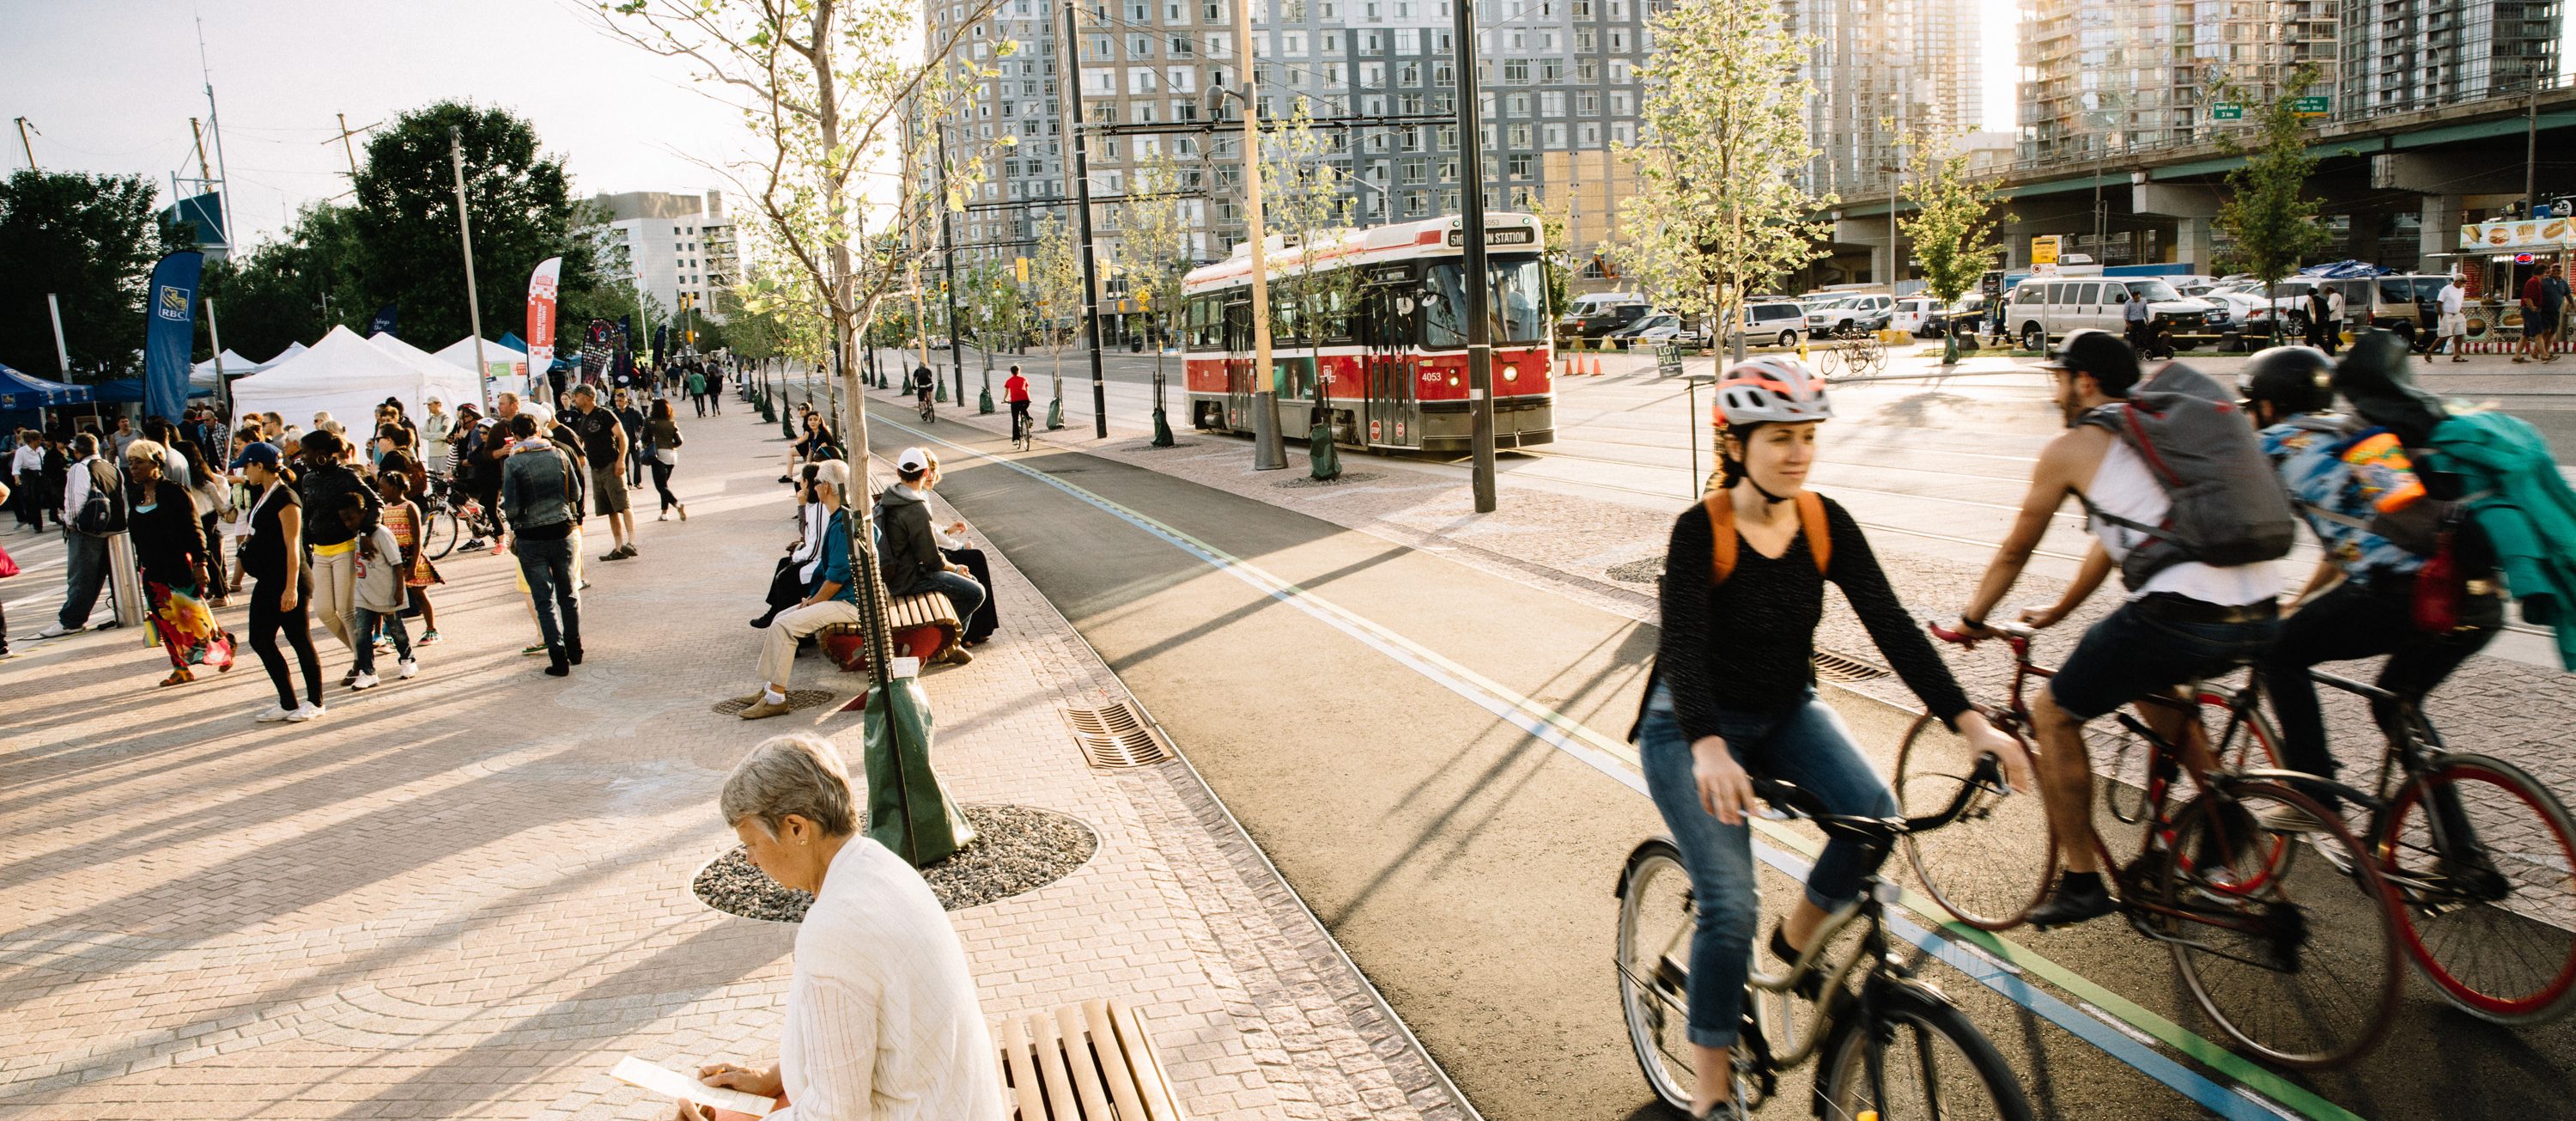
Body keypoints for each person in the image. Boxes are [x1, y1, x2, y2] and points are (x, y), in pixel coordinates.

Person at [1632, 357, 2024, 1118]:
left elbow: (1895, 630)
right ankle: (1712, 1086)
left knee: (1873, 814)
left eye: (1808, 436)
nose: (1798, 452)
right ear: (1736, 443)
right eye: (1780, 437)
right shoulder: (1700, 530)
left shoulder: (1822, 521)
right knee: (1729, 901)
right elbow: (1681, 642)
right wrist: (1709, 744)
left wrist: (1972, 722)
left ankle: (1793, 942)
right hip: (1690, 726)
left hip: (1785, 711)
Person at [1956, 330, 2280, 927]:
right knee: (2151, 683)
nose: (2055, 393)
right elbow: (2114, 544)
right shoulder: (2161, 434)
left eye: (2058, 378)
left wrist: (1973, 618)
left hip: (2184, 614)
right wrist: (2057, 611)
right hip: (2261, 611)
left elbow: (2015, 549)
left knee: (2053, 713)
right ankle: (2219, 809)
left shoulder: (2076, 445)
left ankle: (2081, 879)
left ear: (2084, 380)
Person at [675, 734, 1004, 1121]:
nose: (749, 860)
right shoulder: (878, 864)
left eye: (750, 843)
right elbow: (855, 1038)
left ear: (797, 828)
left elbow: (835, 1115)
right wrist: (773, 1077)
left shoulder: (836, 930)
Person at [2240, 343, 2502, 808]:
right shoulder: (2354, 434)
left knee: (2278, 652)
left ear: (2265, 405)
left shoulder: (2273, 446)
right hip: (2469, 588)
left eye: (2250, 407)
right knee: (2393, 703)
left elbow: (2246, 531)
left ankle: (2312, 793)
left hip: (2406, 597)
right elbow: (2358, 534)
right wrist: (2301, 599)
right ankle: (2464, 858)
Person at [736, 462, 863, 719]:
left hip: (847, 604)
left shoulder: (841, 524)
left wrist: (814, 602)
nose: (814, 486)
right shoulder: (841, 517)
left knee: (785, 627)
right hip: (842, 599)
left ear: (826, 487)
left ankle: (776, 698)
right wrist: (813, 600)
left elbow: (837, 579)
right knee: (780, 618)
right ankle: (769, 689)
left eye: (816, 482)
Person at [122, 441, 234, 686]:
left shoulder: (174, 492)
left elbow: (194, 529)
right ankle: (180, 668)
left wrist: (201, 563)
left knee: (194, 616)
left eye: (139, 462)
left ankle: (224, 643)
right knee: (164, 620)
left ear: (156, 463)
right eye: (130, 463)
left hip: (177, 565)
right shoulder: (135, 495)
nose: (133, 467)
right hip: (151, 568)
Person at [235, 442, 325, 722]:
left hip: (290, 580)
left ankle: (316, 701)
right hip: (269, 578)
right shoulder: (264, 494)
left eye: (246, 466)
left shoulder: (285, 498)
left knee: (299, 639)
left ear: (259, 466)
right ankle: (287, 701)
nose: (245, 472)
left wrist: (290, 588)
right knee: (260, 639)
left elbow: (293, 546)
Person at [873, 448, 986, 664]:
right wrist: (954, 568)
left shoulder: (890, 496)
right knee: (975, 591)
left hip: (896, 575)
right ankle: (944, 643)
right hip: (910, 580)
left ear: (898, 472)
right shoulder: (915, 507)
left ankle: (951, 644)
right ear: (926, 473)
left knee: (966, 583)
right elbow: (932, 559)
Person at [501, 412, 586, 675]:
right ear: (538, 431)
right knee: (568, 593)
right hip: (562, 531)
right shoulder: (558, 455)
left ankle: (558, 657)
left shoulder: (513, 463)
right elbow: (576, 493)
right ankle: (575, 648)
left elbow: (512, 507)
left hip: (531, 538)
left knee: (544, 600)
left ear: (515, 436)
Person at [295, 430, 378, 673]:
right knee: (323, 611)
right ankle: (360, 654)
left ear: (320, 454)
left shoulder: (346, 477)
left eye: (305, 452)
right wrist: (304, 544)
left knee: (345, 610)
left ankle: (362, 665)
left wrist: (366, 532)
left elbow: (375, 502)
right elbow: (306, 514)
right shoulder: (308, 479)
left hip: (346, 548)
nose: (302, 457)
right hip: (320, 552)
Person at [37, 433, 123, 639]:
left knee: (81, 576)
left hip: (88, 529)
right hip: (112, 528)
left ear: (76, 451)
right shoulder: (111, 467)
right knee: (100, 576)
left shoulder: (79, 468)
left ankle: (70, 620)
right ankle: (80, 616)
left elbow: (75, 502)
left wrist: (70, 522)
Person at [339, 490, 417, 690]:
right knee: (362, 633)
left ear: (364, 513)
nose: (348, 523)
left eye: (351, 518)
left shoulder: (382, 534)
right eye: (344, 520)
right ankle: (368, 672)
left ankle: (408, 659)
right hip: (364, 593)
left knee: (396, 629)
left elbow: (397, 563)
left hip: (386, 591)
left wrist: (400, 590)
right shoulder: (357, 535)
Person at [753, 463, 831, 630]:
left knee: (785, 578)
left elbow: (814, 548)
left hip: (820, 563)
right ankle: (774, 612)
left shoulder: (819, 508)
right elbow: (809, 536)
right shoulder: (814, 506)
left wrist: (795, 556)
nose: (799, 486)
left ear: (808, 483)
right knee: (784, 564)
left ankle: (791, 627)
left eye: (802, 482)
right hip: (817, 558)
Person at [568, 386, 637, 560]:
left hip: (611, 466)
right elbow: (581, 443)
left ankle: (631, 542)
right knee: (610, 509)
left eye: (576, 396)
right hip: (596, 470)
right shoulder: (583, 418)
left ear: (586, 396)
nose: (574, 400)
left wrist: (621, 460)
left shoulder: (604, 414)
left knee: (623, 504)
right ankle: (618, 547)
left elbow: (622, 436)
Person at [376, 471, 443, 644]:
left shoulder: (409, 507)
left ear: (394, 487)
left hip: (411, 555)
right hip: (393, 556)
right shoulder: (385, 507)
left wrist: (414, 564)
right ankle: (389, 632)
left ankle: (432, 629)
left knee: (418, 593)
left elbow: (417, 537)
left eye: (383, 487)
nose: (381, 490)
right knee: (392, 595)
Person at [178, 439, 234, 608]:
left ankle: (220, 593)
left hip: (199, 518)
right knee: (211, 554)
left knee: (206, 556)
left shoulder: (189, 480)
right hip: (209, 516)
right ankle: (221, 591)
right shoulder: (204, 478)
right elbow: (220, 505)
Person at [644, 398, 688, 521]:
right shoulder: (671, 423)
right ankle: (664, 514)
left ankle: (677, 504)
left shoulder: (649, 421)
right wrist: (671, 445)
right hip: (672, 456)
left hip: (658, 456)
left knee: (660, 486)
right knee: (664, 486)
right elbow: (679, 441)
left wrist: (647, 444)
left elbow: (644, 438)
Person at [2429, 271, 2469, 363]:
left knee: (2460, 333)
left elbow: (2459, 302)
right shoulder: (2447, 289)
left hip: (2458, 313)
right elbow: (2439, 303)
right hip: (2447, 314)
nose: (2464, 284)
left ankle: (2457, 355)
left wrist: (2460, 311)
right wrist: (2442, 315)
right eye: (2463, 282)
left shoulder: (2462, 290)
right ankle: (2429, 351)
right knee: (2445, 335)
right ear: (2457, 281)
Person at [613, 387, 647, 489]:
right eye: (617, 401)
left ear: (626, 401)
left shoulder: (634, 412)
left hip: (634, 441)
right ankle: (628, 483)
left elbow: (644, 423)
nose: (618, 403)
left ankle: (638, 482)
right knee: (625, 463)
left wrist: (640, 433)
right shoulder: (614, 413)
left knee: (637, 462)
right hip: (622, 443)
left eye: (620, 401)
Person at [11, 429, 45, 531]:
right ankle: (37, 525)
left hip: (41, 475)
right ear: (33, 441)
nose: (40, 442)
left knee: (50, 496)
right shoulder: (21, 451)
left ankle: (54, 515)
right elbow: (16, 467)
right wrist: (17, 479)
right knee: (33, 501)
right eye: (39, 441)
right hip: (29, 476)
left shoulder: (40, 450)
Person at [2518, 265, 2550, 363]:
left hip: (2528, 310)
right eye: (2546, 272)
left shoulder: (2537, 282)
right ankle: (2545, 355)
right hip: (2530, 310)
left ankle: (2517, 356)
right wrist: (2532, 308)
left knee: (2525, 335)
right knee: (2538, 332)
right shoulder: (2533, 282)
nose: (2547, 275)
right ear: (2542, 272)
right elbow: (2527, 298)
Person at [421, 398, 454, 475]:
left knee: (444, 479)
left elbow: (443, 435)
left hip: (443, 455)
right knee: (434, 480)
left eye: (430, 404)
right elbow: (423, 434)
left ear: (438, 404)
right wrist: (436, 436)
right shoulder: (430, 420)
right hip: (432, 455)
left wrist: (430, 436)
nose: (428, 407)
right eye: (428, 405)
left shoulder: (446, 418)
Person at [2544, 263, 2569, 363]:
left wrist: (2572, 304)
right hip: (2544, 310)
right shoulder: (2544, 281)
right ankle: (2538, 351)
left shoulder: (2563, 283)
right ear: (2550, 271)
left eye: (2558, 270)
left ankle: (2545, 351)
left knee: (2552, 332)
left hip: (2556, 311)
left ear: (2561, 272)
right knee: (2545, 331)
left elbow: (2567, 294)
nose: (2556, 272)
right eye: (2554, 270)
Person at [1003, 364, 1032, 438]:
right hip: (1025, 400)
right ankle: (1029, 419)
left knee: (1015, 420)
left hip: (1015, 401)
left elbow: (1007, 392)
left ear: (1011, 372)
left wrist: (1004, 400)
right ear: (1018, 371)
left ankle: (1016, 439)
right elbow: (1027, 390)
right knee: (1023, 409)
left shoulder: (1009, 381)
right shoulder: (1023, 379)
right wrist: (1028, 399)